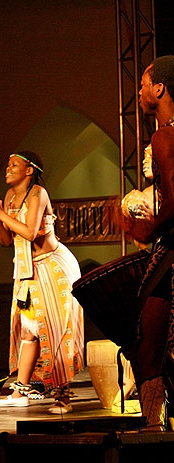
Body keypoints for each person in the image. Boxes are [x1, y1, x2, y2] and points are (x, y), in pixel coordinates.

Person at [0, 152, 85, 414]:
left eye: (14, 165)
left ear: (29, 170)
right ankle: (20, 391)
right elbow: (6, 240)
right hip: (28, 270)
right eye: (7, 164)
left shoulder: (38, 193)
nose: (8, 169)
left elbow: (28, 231)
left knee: (55, 330)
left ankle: (63, 397)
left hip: (52, 266)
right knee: (28, 331)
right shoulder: (9, 197)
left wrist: (1, 215)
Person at [125, 54, 174, 430]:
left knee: (148, 346)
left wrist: (145, 230)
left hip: (172, 246)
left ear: (159, 88)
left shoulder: (165, 135)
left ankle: (154, 436)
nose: (139, 91)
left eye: (143, 83)